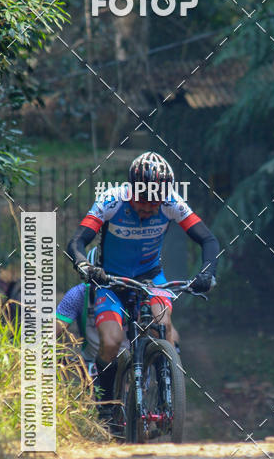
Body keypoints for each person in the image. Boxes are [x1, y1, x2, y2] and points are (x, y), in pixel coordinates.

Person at [66, 151, 218, 419]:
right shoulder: (112, 200)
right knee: (111, 342)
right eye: (142, 201)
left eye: (154, 203)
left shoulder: (173, 202)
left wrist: (208, 273)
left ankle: (167, 389)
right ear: (131, 190)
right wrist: (86, 266)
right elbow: (77, 242)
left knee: (163, 324)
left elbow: (208, 240)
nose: (148, 208)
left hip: (151, 277)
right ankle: (105, 405)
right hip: (111, 280)